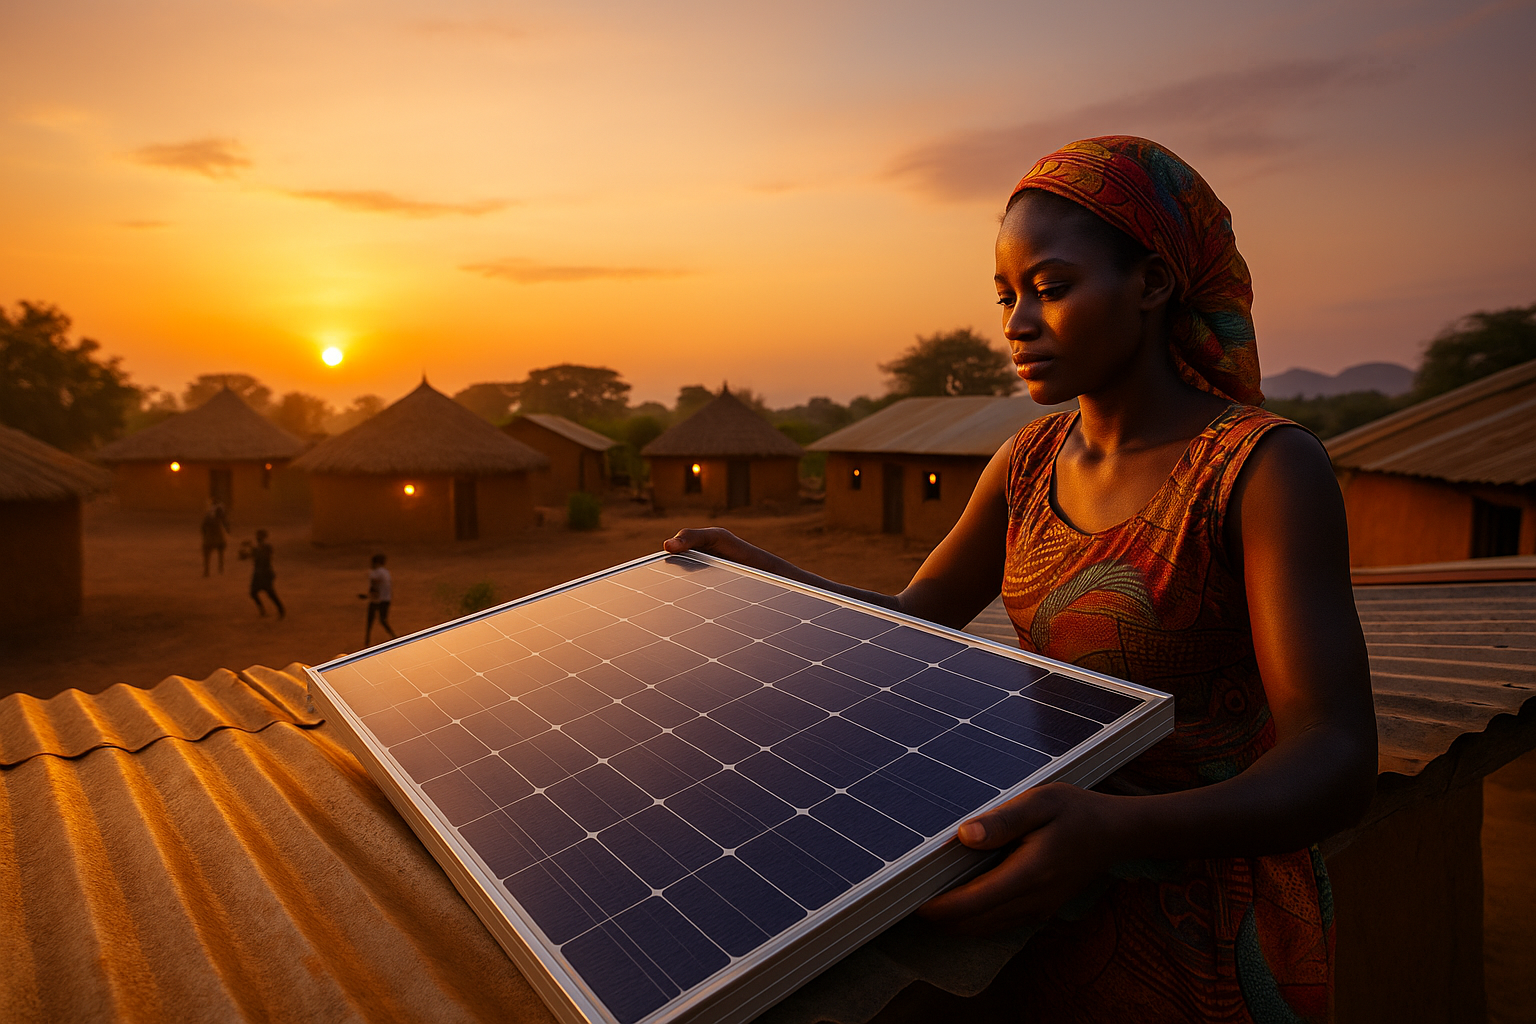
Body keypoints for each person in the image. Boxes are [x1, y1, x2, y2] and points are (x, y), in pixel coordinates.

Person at [664, 137, 1377, 1022]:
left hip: (1205, 918)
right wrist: (772, 580)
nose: (1016, 325)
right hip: (1039, 888)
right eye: (1006, 296)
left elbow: (1338, 759)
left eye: (1051, 287)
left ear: (1153, 284)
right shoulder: (1028, 462)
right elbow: (913, 624)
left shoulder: (1261, 470)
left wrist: (1116, 829)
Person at [239, 528, 285, 619]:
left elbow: (266, 556)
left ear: (264, 537)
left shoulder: (267, 546)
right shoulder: (256, 547)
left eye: (260, 536)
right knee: (253, 593)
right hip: (257, 574)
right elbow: (246, 557)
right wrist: (244, 552)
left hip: (266, 573)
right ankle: (262, 609)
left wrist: (253, 549)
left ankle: (281, 609)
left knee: (270, 593)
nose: (258, 537)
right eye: (257, 535)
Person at [360, 553, 396, 646]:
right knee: (383, 620)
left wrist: (368, 596)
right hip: (385, 599)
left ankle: (367, 642)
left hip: (376, 600)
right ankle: (394, 637)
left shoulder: (375, 573)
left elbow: (374, 586)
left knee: (370, 621)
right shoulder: (386, 572)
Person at [200, 498, 229, 576]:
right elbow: (225, 523)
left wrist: (204, 535)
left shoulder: (208, 515)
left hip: (210, 536)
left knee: (207, 553)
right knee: (220, 552)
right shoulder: (219, 513)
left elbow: (203, 527)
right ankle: (220, 567)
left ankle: (207, 570)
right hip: (218, 536)